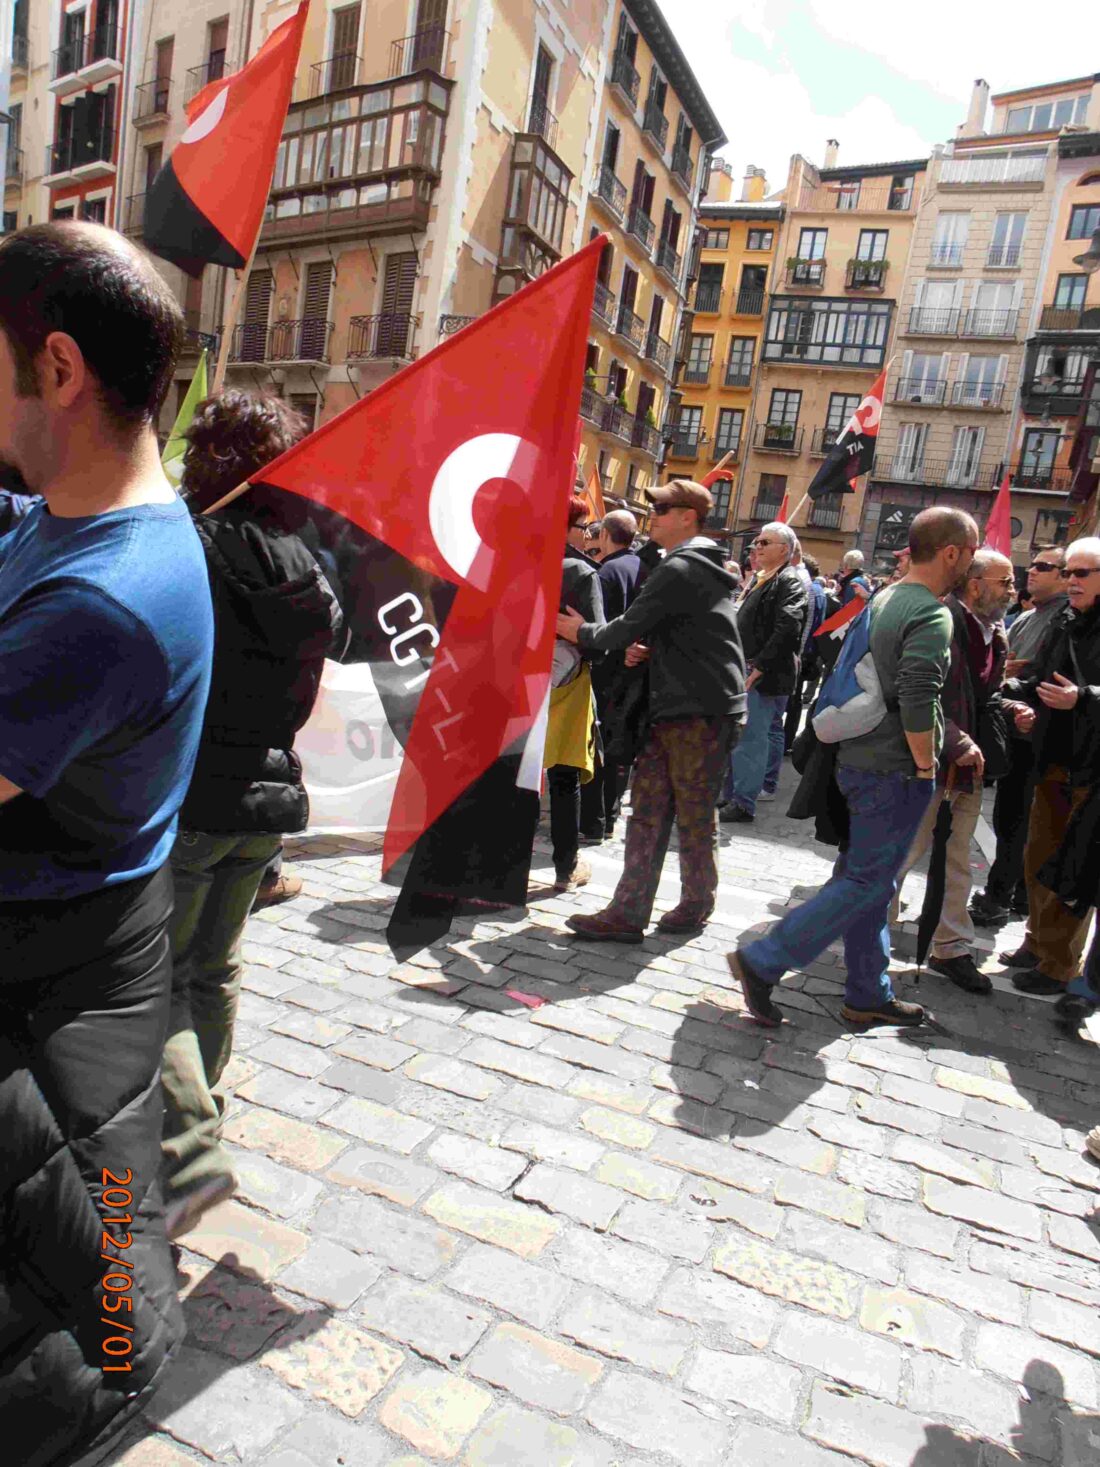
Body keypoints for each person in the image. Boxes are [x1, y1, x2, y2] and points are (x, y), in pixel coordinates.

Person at [0, 224, 213, 1459]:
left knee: (83, 1297)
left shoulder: (97, 602)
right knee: (105, 1246)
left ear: (59, 369)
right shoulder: (89, 522)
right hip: (93, 975)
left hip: (45, 993)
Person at [161, 391, 345, 1240]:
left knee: (157, 974)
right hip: (264, 803)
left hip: (193, 795)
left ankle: (188, 1145)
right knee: (216, 966)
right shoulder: (306, 562)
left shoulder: (189, 544)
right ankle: (207, 1103)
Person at [728, 506, 979, 1028]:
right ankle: (765, 959)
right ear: (951, 552)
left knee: (870, 879)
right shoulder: (932, 612)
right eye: (970, 554)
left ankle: (868, 991)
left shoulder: (885, 596)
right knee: (867, 880)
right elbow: (917, 697)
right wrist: (926, 765)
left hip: (859, 760)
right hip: (894, 770)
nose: (971, 565)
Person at [556, 480, 745, 940]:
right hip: (691, 704)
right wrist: (656, 646)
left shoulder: (680, 566)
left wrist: (578, 631)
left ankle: (687, 905)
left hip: (697, 708)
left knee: (684, 811)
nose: (652, 514)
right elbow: (692, 629)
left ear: (688, 517)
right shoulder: (697, 562)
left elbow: (622, 628)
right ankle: (635, 911)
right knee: (653, 808)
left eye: (662, 508)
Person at [891, 548, 1013, 994]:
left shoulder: (994, 633)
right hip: (926, 763)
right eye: (1005, 581)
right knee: (901, 854)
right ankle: (867, 930)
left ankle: (951, 948)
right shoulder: (940, 620)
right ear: (976, 584)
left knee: (958, 860)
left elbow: (985, 695)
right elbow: (923, 690)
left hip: (966, 770)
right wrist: (956, 738)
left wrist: (1010, 707)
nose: (1011, 591)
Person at [998, 537, 1100, 996]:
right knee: (1038, 858)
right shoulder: (1064, 619)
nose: (1071, 581)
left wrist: (1084, 697)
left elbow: (1078, 689)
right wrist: (1010, 689)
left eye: (1082, 574)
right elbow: (1041, 674)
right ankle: (1037, 944)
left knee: (1072, 868)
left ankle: (1060, 965)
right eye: (1069, 573)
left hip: (1092, 767)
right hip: (1052, 756)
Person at [970, 545, 1067, 926]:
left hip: (1034, 734)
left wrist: (1008, 676)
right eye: (1035, 565)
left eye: (1046, 567)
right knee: (1015, 819)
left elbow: (1034, 673)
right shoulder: (1031, 615)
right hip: (1016, 728)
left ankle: (1000, 897)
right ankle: (1017, 896)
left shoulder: (1061, 618)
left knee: (1017, 821)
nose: (1033, 572)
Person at [720, 522, 807, 822]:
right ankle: (731, 795)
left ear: (784, 549)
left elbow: (788, 626)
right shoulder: (761, 578)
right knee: (738, 737)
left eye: (764, 542)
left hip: (760, 674)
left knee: (751, 738)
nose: (757, 547)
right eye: (756, 542)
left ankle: (743, 803)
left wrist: (759, 666)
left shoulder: (789, 581)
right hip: (743, 667)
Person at [546, 494, 604, 890]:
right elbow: (597, 643)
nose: (588, 536)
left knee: (510, 773)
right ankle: (566, 869)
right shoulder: (581, 574)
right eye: (584, 528)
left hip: (511, 684)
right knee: (564, 778)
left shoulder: (507, 563)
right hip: (566, 689)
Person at [580, 509, 644, 843]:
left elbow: (596, 625)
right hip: (637, 671)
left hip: (606, 672)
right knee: (622, 747)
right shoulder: (646, 569)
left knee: (599, 744)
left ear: (604, 535)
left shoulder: (606, 573)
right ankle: (611, 812)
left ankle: (596, 817)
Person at [784, 549, 826, 754]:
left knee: (793, 699)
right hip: (809, 652)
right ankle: (788, 740)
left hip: (803, 652)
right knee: (795, 698)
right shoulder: (819, 591)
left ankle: (787, 741)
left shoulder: (810, 591)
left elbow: (807, 624)